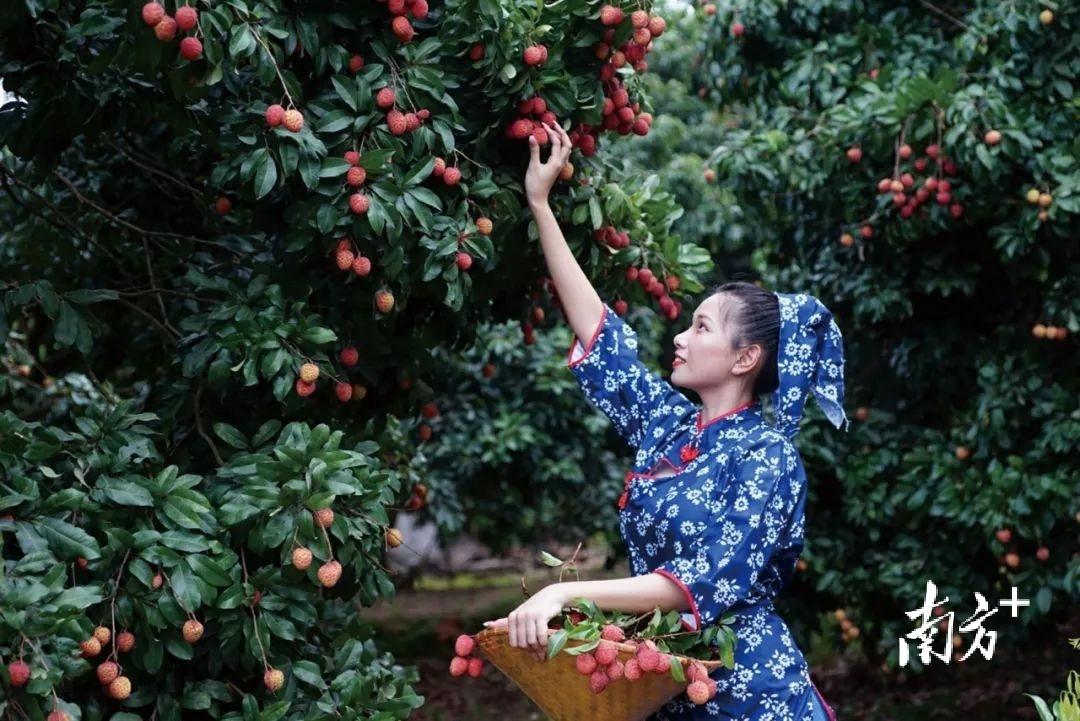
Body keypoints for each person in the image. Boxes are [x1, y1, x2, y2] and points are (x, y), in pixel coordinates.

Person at [484, 122, 844, 720]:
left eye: (701, 327)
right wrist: (539, 203)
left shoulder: (767, 456)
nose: (680, 337)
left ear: (745, 357)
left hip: (748, 695)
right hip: (660, 686)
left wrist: (564, 589)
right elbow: (599, 332)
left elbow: (695, 584)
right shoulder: (669, 427)